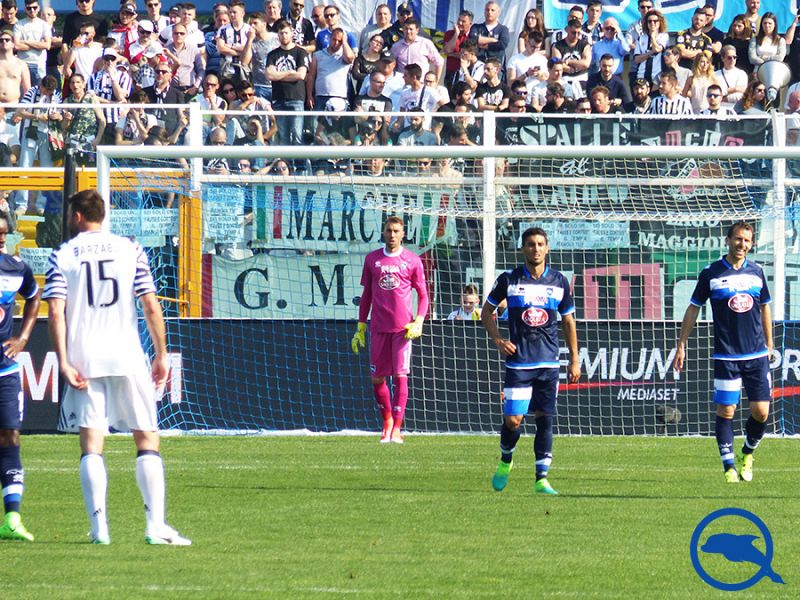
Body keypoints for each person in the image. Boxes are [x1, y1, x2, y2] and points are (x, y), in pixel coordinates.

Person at [43, 189, 191, 545]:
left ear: (77, 216)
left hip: (85, 361)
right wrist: (161, 354)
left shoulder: (62, 256)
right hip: (126, 355)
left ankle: (100, 530)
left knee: (92, 444)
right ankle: (155, 526)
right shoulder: (131, 249)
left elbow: (56, 312)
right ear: (102, 215)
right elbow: (151, 306)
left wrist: (63, 360)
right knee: (146, 439)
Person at [481, 227, 580, 495]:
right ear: (522, 248)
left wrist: (574, 359)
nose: (535, 249)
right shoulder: (509, 280)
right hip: (519, 364)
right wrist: (499, 340)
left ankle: (541, 479)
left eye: (540, 244)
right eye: (530, 244)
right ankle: (506, 459)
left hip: (548, 364)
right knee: (513, 420)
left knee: (545, 419)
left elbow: (568, 321)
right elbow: (486, 312)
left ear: (547, 248)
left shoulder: (559, 281)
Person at [673, 221, 773, 484]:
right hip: (727, 356)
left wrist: (770, 344)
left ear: (751, 244)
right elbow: (693, 308)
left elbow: (764, 307)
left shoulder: (757, 272)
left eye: (747, 241)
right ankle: (728, 466)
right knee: (726, 411)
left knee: (761, 412)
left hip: (756, 355)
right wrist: (681, 343)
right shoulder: (711, 274)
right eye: (738, 239)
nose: (742, 245)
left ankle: (747, 453)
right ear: (727, 240)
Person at [351, 216, 429, 444]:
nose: (392, 234)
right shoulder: (372, 260)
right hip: (378, 328)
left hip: (403, 330)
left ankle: (397, 427)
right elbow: (366, 296)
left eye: (396, 231)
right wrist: (361, 325)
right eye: (388, 230)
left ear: (403, 233)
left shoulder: (412, 260)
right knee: (377, 378)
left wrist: (419, 320)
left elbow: (423, 295)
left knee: (401, 376)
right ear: (383, 233)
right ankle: (386, 421)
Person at [0, 214, 40, 542]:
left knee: (11, 437)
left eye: (5, 234)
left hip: (5, 371)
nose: (3, 239)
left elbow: (34, 294)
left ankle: (12, 518)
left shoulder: (15, 269)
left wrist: (24, 337)